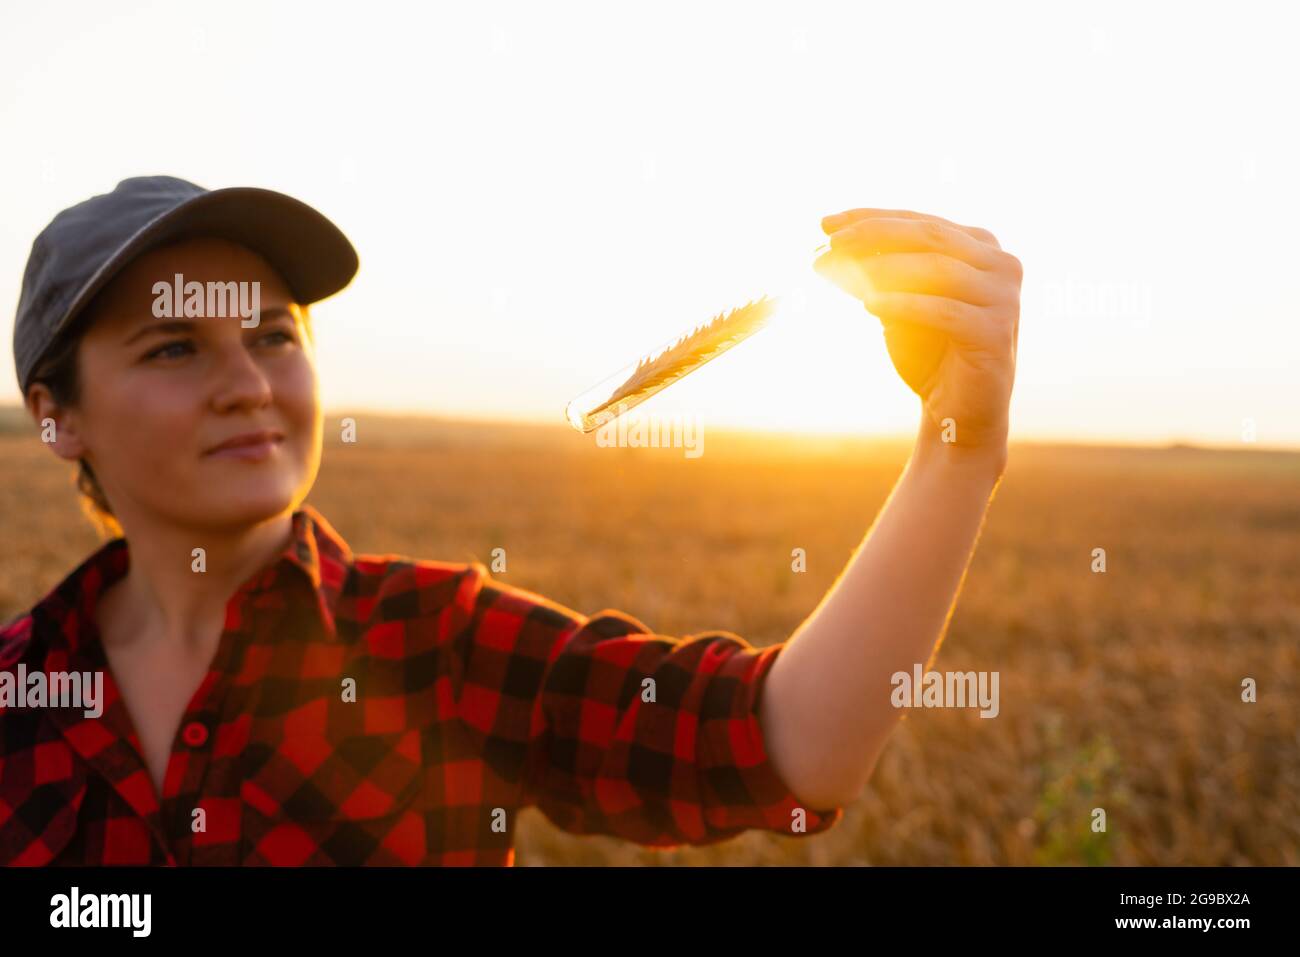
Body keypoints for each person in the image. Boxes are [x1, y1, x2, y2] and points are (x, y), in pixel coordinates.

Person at [0, 176, 1022, 865]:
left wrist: (958, 448)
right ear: (59, 417)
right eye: (173, 348)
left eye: (273, 334)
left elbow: (786, 745)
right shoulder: (16, 696)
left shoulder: (436, 643)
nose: (248, 386)